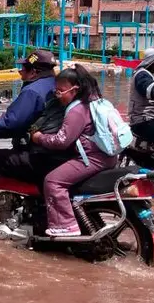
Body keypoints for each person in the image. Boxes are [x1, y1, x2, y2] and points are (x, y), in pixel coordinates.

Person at [30, 65, 117, 236]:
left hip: (92, 159)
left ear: (75, 89)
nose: (58, 95)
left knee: (52, 181)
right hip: (107, 156)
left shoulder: (77, 110)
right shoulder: (96, 101)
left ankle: (66, 225)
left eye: (60, 91)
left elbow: (62, 141)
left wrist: (38, 137)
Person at [0, 50, 59, 197]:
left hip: (39, 155)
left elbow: (12, 123)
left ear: (33, 72)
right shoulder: (56, 84)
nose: (20, 72)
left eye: (23, 68)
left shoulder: (32, 91)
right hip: (56, 153)